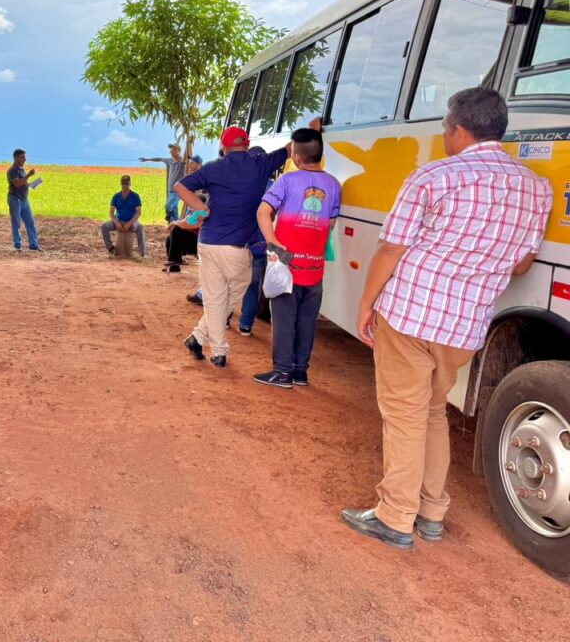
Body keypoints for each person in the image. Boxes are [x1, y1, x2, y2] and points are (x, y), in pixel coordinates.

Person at [342, 88, 551, 550]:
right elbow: (520, 265)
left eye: (444, 129)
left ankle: (395, 516)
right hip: (464, 327)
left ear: (458, 129)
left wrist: (366, 303)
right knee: (433, 411)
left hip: (412, 315)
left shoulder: (435, 176)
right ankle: (432, 511)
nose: (444, 137)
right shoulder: (536, 187)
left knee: (403, 416)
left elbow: (392, 247)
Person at [176, 126, 299, 368]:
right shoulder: (260, 163)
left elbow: (180, 186)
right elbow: (288, 149)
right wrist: (311, 129)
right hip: (237, 247)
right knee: (232, 292)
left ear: (223, 148)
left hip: (208, 242)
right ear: (247, 143)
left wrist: (200, 209)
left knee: (215, 299)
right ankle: (219, 352)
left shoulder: (213, 167)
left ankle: (198, 338)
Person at [252, 129, 341, 389]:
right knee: (306, 320)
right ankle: (300, 372)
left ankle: (281, 372)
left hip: (286, 259)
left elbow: (262, 212)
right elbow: (330, 224)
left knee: (283, 319)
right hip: (315, 263)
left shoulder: (287, 181)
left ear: (296, 157)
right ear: (320, 154)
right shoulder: (334, 185)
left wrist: (274, 244)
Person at [100, 174, 146, 258]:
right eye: (123, 183)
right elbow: (111, 212)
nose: (124, 185)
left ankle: (142, 254)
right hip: (119, 221)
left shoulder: (135, 196)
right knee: (104, 226)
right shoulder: (116, 196)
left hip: (132, 221)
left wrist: (130, 223)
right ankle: (111, 249)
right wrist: (117, 223)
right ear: (120, 184)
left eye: (126, 183)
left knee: (140, 228)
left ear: (130, 184)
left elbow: (138, 212)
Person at [140, 143, 186, 222]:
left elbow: (187, 154)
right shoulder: (169, 160)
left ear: (178, 151)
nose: (171, 152)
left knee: (168, 206)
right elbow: (159, 159)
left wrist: (189, 144)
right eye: (170, 151)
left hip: (178, 190)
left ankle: (169, 218)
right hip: (170, 191)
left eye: (173, 150)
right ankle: (175, 227)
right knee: (174, 213)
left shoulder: (182, 161)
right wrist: (147, 159)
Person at [7, 148, 40, 252]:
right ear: (16, 158)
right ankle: (18, 246)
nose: (25, 160)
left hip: (24, 199)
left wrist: (32, 184)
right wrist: (29, 175)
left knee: (30, 222)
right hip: (15, 199)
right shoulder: (12, 170)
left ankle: (34, 246)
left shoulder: (21, 169)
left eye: (25, 158)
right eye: (23, 157)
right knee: (16, 223)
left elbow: (23, 182)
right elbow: (17, 184)